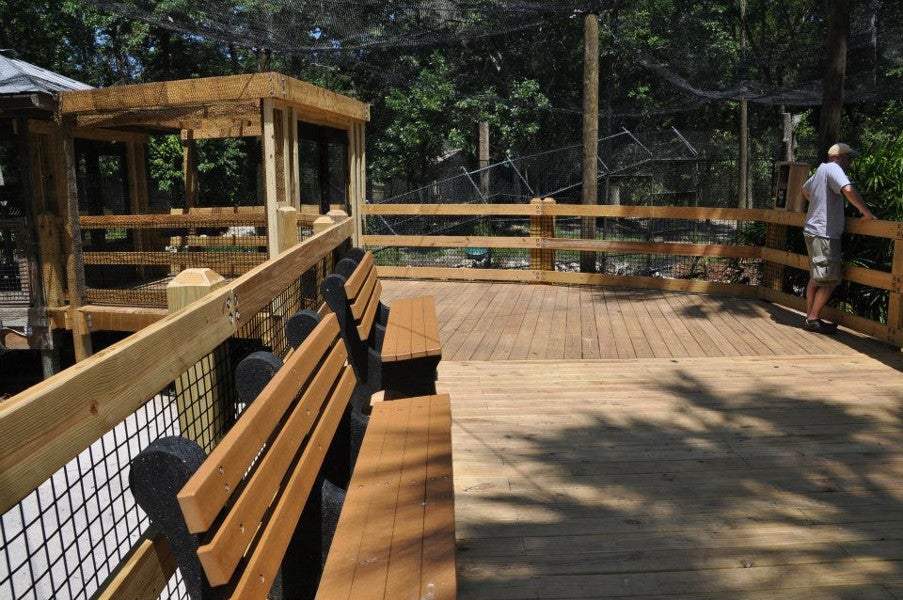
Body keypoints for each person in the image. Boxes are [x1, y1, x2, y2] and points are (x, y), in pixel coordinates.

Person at [800, 142, 876, 334]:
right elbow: (848, 190)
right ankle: (813, 317)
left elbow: (805, 190)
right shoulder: (834, 168)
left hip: (813, 230)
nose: (850, 163)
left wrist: (819, 205)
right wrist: (866, 213)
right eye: (848, 158)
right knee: (831, 279)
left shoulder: (820, 170)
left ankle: (811, 318)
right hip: (824, 234)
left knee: (816, 277)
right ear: (839, 158)